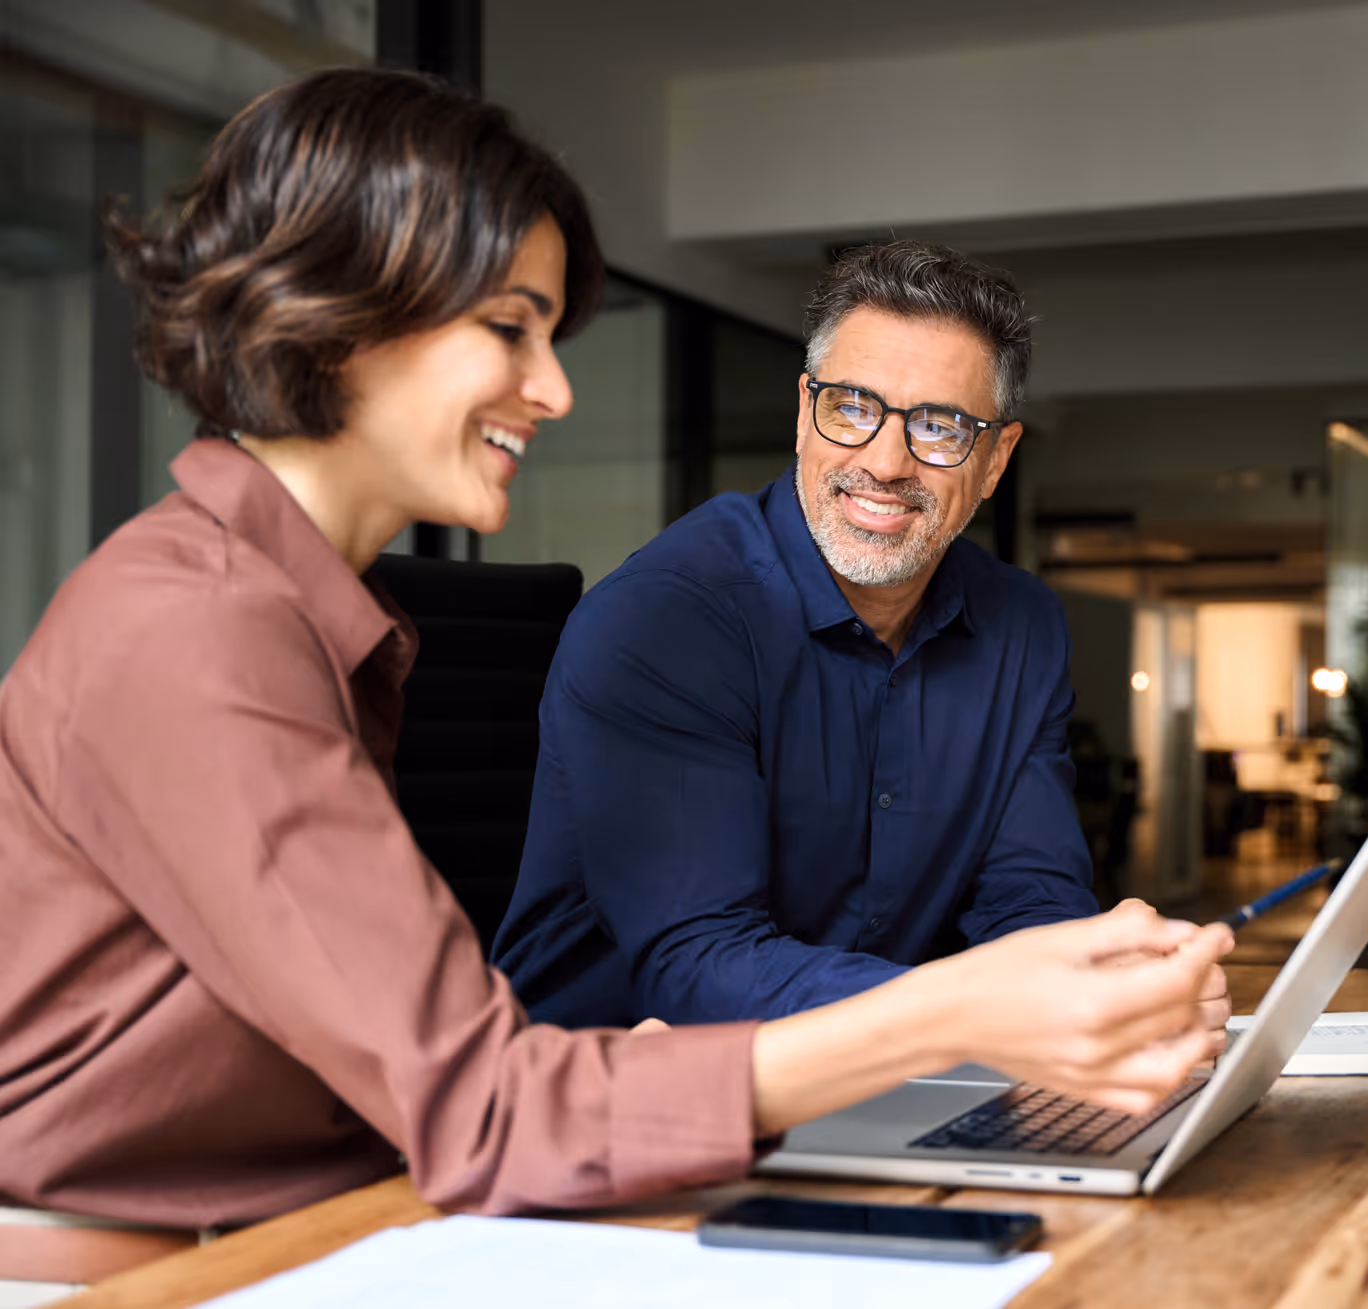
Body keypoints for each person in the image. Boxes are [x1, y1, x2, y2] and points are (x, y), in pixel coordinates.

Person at [0, 68, 1230, 1255]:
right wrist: (962, 1011)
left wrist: (1048, 992)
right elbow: (487, 1103)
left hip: (369, 1209)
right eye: (510, 329)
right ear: (344, 321)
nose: (555, 390)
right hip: (166, 1261)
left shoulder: (310, 615)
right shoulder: (200, 629)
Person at [494, 241, 1108, 1029]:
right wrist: (972, 1009)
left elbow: (1033, 900)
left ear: (995, 460)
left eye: (941, 427)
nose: (885, 462)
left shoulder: (1021, 627)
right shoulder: (666, 618)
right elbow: (700, 968)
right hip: (617, 1098)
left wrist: (1089, 988)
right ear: (802, 413)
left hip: (885, 1080)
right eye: (851, 406)